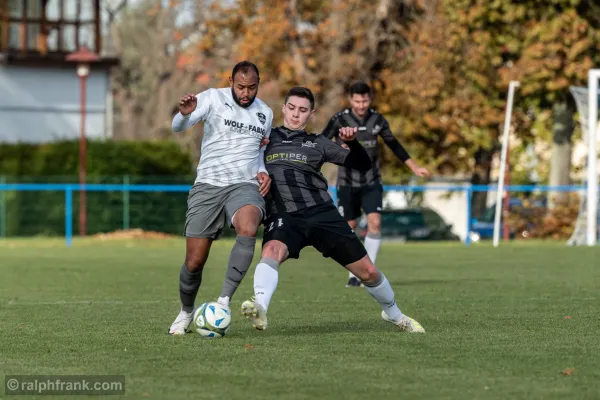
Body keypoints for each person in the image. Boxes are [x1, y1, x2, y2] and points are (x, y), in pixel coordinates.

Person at [240, 86, 425, 333]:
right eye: (292, 108)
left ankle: (394, 313)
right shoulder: (265, 139)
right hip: (284, 215)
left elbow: (361, 163)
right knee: (271, 251)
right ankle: (260, 308)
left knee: (368, 272)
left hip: (322, 214)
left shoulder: (318, 142)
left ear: (311, 114)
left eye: (303, 110)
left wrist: (352, 143)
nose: (296, 114)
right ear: (283, 108)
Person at [168, 61, 274, 335]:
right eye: (241, 87)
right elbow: (178, 126)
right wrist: (183, 114)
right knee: (194, 263)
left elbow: (259, 151)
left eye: (252, 87)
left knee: (249, 226)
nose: (246, 93)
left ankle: (223, 302)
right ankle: (186, 311)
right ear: (231, 82)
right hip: (208, 185)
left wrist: (262, 171)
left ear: (258, 84)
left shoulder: (265, 113)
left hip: (244, 185)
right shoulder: (213, 97)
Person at [321, 81, 430, 287]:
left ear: (369, 99)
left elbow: (393, 143)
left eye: (365, 100)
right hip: (347, 182)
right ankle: (353, 273)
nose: (361, 105)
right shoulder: (340, 119)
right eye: (357, 101)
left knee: (375, 223)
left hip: (371, 181)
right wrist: (338, 146)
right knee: (349, 227)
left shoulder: (377, 119)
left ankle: (367, 271)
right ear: (351, 100)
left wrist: (414, 167)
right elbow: (321, 142)